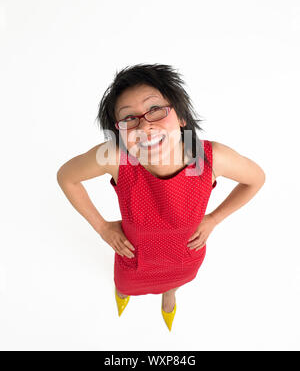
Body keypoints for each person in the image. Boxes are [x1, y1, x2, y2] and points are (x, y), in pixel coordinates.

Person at [57, 63, 265, 332]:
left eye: (155, 109)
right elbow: (67, 177)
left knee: (175, 283)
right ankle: (124, 294)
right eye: (129, 118)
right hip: (134, 256)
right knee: (124, 285)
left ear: (180, 116)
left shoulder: (208, 159)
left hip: (184, 254)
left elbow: (255, 179)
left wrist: (213, 219)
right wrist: (102, 228)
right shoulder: (117, 157)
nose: (145, 125)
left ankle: (170, 296)